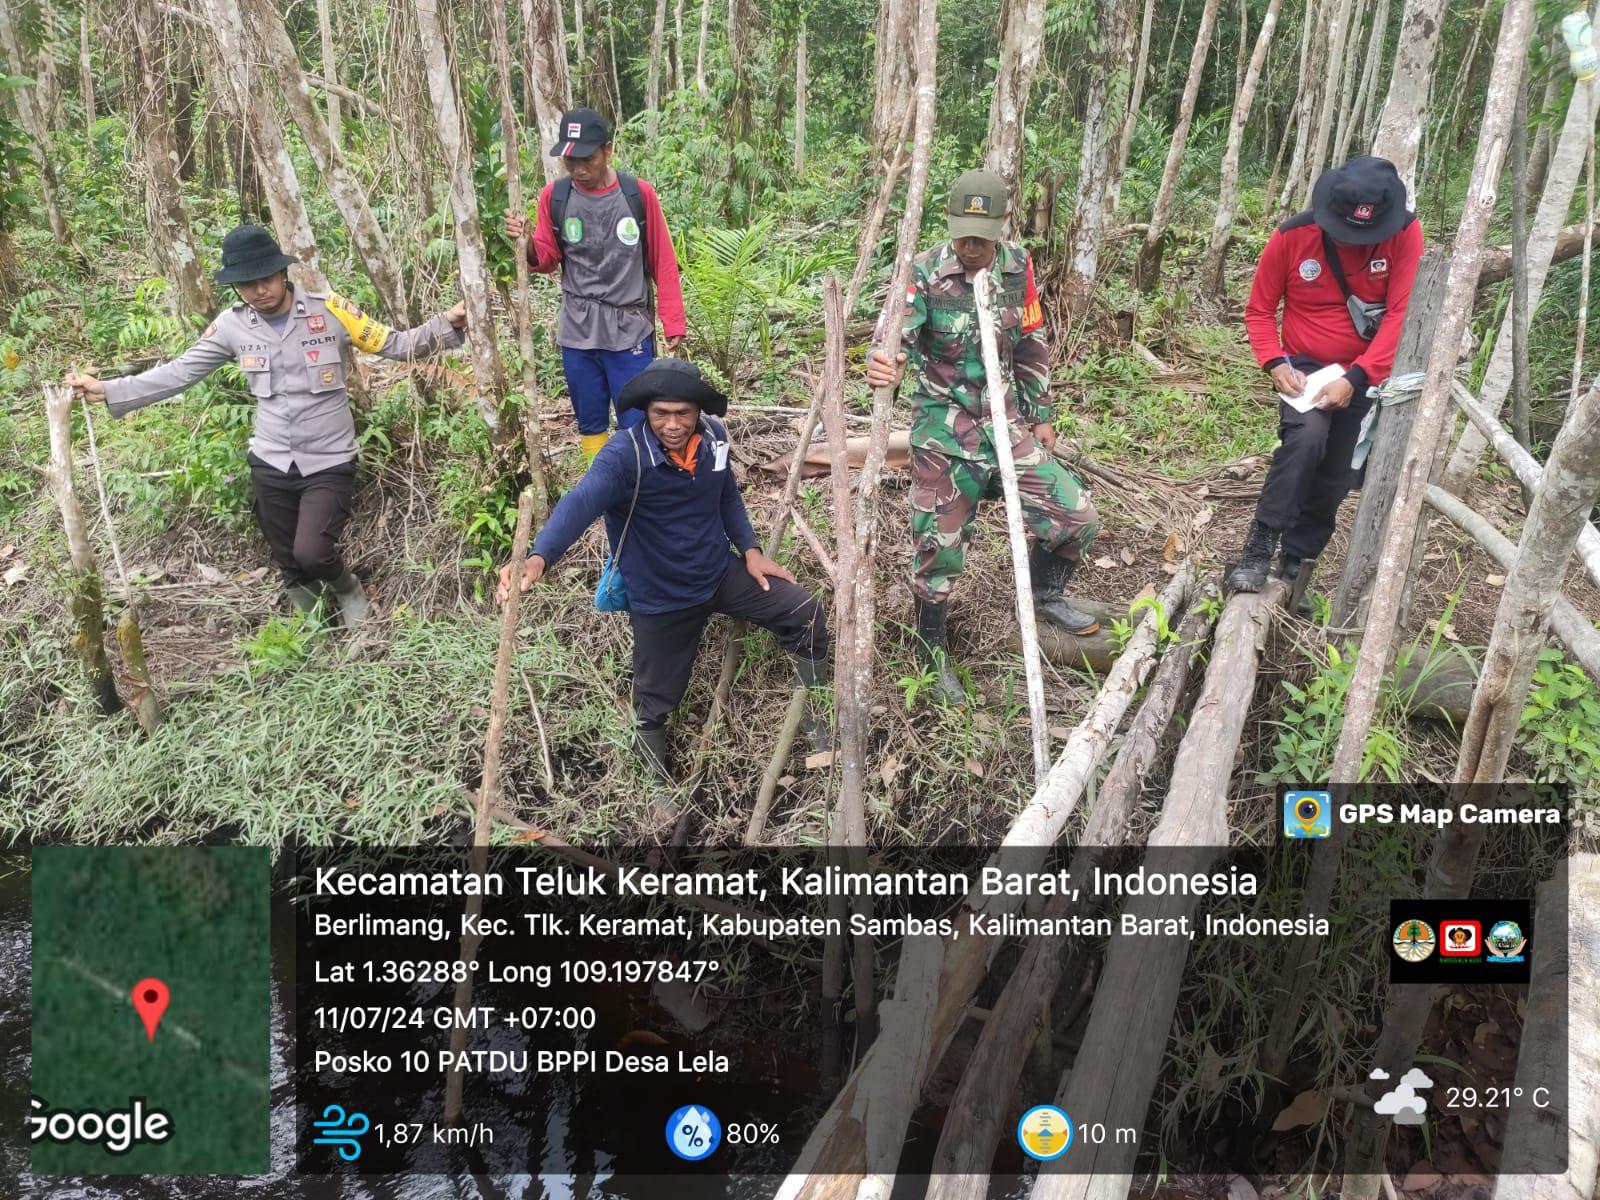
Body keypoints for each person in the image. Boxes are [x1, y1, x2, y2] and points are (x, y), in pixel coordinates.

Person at [64, 225, 467, 628]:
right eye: (247, 284)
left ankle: (347, 589)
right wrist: (111, 389)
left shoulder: (331, 310)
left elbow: (394, 344)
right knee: (288, 558)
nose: (260, 291)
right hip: (271, 460)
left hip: (329, 459)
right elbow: (180, 372)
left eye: (267, 279)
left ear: (283, 272)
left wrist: (446, 323)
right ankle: (314, 628)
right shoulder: (231, 326)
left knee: (312, 552)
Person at [497, 358, 829, 779]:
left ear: (698, 411)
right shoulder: (625, 456)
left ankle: (816, 714)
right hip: (660, 596)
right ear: (646, 411)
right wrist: (539, 556)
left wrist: (750, 549)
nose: (672, 425)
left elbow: (726, 493)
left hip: (718, 574)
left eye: (683, 413)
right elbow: (580, 503)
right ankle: (655, 785)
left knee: (804, 612)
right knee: (654, 701)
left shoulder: (714, 437)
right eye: (661, 413)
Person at [865, 168, 1100, 705]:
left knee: (1076, 517)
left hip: (1006, 424)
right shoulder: (925, 270)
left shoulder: (1018, 267)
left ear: (1003, 224)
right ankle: (931, 651)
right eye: (962, 236)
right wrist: (886, 362)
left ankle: (1044, 595)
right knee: (939, 548)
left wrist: (1041, 414)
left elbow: (1031, 339)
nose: (970, 247)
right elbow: (894, 337)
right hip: (944, 430)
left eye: (981, 237)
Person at [1231, 154, 1424, 595]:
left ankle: (1296, 562)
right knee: (1306, 440)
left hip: (1367, 369)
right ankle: (1259, 547)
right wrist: (1274, 361)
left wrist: (1357, 377)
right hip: (1305, 366)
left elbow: (1401, 314)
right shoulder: (1292, 236)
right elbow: (1259, 310)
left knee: (1339, 467)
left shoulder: (1405, 234)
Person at [505, 107, 687, 464]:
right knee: (590, 422)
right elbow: (547, 257)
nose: (579, 169)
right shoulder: (555, 197)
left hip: (629, 330)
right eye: (570, 161)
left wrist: (673, 321)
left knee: (636, 419)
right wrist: (526, 243)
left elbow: (662, 260)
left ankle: (639, 485)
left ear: (608, 150)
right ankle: (601, 484)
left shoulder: (637, 195)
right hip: (578, 330)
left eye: (587, 159)